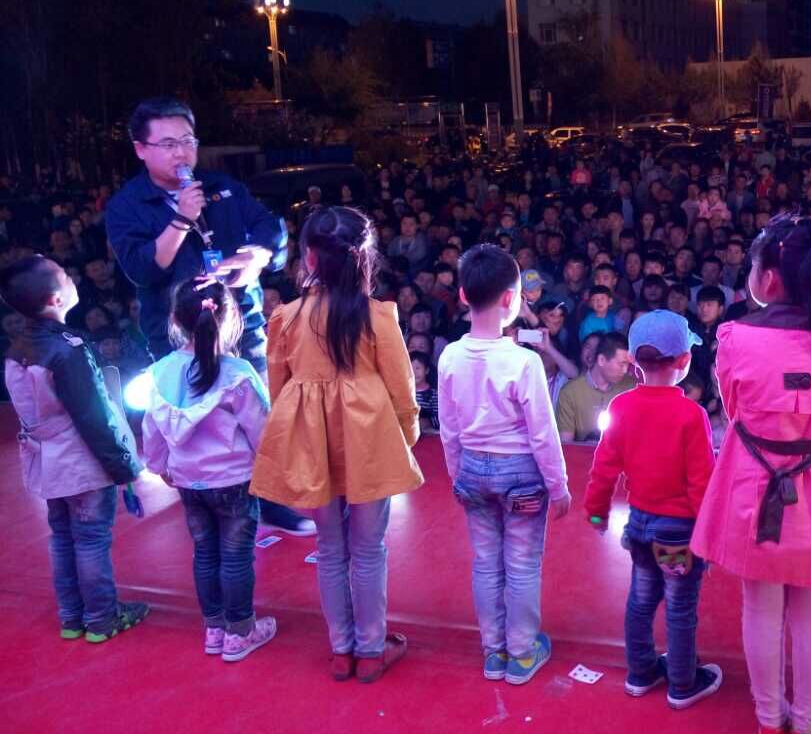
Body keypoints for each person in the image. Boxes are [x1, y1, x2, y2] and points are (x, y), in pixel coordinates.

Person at [691, 216, 811, 734]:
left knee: (759, 605)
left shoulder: (734, 336)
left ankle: (768, 717)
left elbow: (734, 409)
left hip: (753, 479)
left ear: (770, 278)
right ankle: (810, 722)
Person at [105, 99, 311, 537]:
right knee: (195, 421)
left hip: (241, 324)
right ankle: (206, 506)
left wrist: (259, 255)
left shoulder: (223, 186)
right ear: (140, 149)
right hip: (177, 333)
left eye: (187, 141)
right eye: (168, 144)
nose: (181, 153)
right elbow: (143, 269)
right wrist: (182, 217)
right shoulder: (128, 204)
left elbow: (269, 226)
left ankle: (271, 501)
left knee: (259, 415)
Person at [251, 207, 423, 683]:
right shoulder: (378, 316)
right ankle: (370, 649)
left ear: (308, 258)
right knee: (368, 549)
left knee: (329, 548)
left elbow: (278, 390)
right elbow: (402, 390)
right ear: (364, 258)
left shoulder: (286, 317)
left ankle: (341, 649)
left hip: (312, 443)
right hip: (370, 442)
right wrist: (404, 440)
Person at [436, 243, 570, 686]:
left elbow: (449, 428)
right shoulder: (524, 361)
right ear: (512, 299)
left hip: (472, 470)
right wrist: (559, 486)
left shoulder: (449, 356)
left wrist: (457, 475)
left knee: (485, 562)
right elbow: (542, 434)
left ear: (462, 295)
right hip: (522, 476)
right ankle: (523, 652)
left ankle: (493, 651)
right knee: (523, 563)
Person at [1, 254, 149, 642]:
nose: (72, 278)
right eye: (66, 276)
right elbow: (93, 416)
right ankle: (102, 617)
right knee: (91, 538)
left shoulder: (17, 349)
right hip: (80, 460)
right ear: (55, 299)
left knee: (63, 537)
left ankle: (71, 616)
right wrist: (123, 465)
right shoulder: (68, 349)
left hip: (46, 460)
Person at [583, 311, 721, 709]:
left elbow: (603, 468)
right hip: (679, 532)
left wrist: (596, 512)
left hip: (640, 525)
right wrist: (709, 536)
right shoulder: (692, 415)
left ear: (632, 361)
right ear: (684, 361)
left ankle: (641, 672)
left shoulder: (621, 406)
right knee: (680, 606)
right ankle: (682, 682)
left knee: (641, 600)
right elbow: (702, 483)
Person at [139, 279, 277, 661]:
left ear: (174, 320)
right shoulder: (238, 372)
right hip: (234, 480)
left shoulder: (160, 372)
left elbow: (152, 429)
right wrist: (271, 468)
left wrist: (159, 465)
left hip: (188, 481)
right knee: (236, 557)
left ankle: (214, 629)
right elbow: (261, 430)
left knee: (204, 553)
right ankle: (240, 632)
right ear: (231, 319)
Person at [555, 332, 636, 443]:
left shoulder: (632, 388)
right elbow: (566, 444)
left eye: (628, 365)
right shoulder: (570, 392)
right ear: (601, 360)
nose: (625, 370)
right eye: (621, 364)